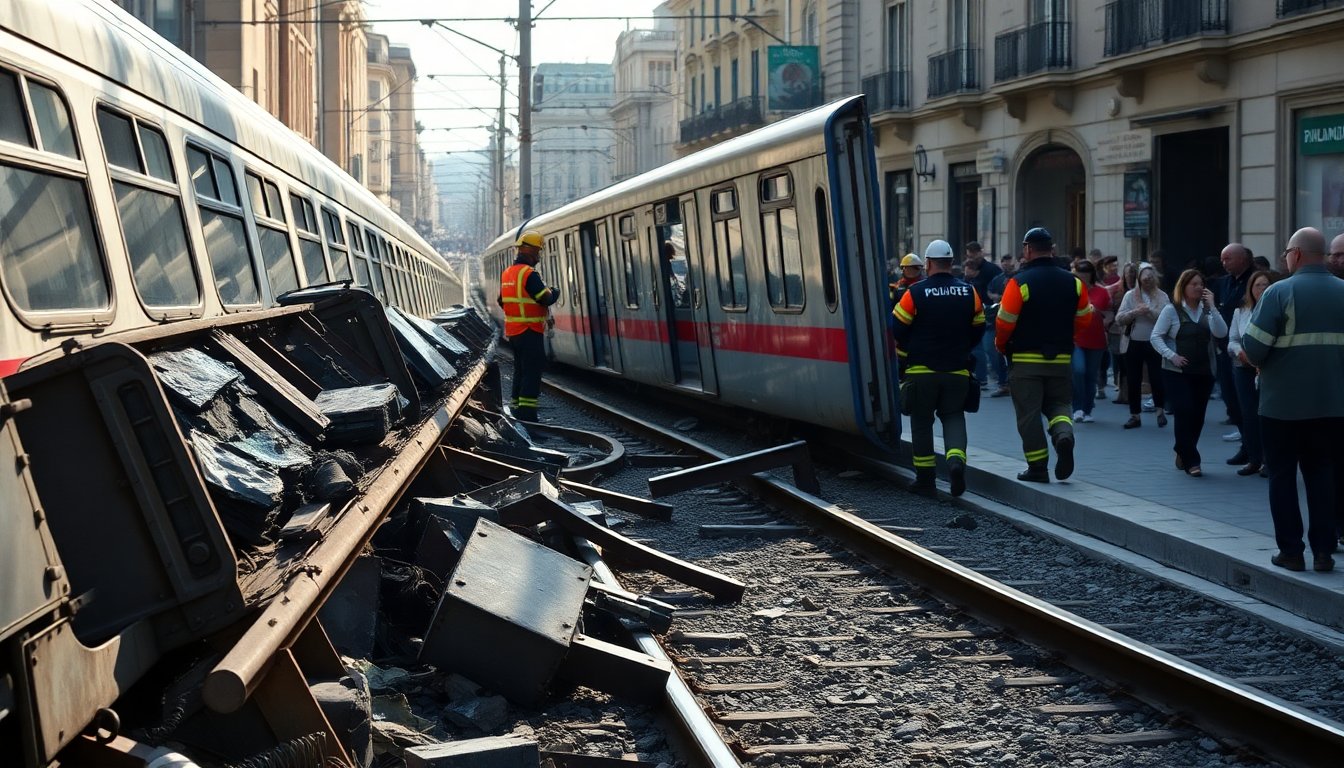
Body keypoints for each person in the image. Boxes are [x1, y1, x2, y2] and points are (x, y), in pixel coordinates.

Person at [1243, 227, 1344, 572]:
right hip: (1332, 404)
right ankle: (1324, 552)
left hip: (1281, 405)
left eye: (1287, 252)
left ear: (1296, 254)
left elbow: (1253, 348)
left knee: (1282, 477)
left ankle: (1291, 551)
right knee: (1323, 474)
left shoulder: (1278, 292)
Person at [995, 227, 1093, 483]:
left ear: (1027, 249)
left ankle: (1038, 467)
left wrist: (1001, 345)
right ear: (1052, 248)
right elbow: (1086, 318)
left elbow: (1005, 322)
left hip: (1026, 361)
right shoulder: (1074, 282)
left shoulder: (1018, 282)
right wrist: (1066, 335)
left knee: (1029, 414)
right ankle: (1063, 435)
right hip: (1060, 359)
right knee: (1059, 405)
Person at [892, 239, 985, 497]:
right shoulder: (969, 292)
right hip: (957, 370)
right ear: (952, 262)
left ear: (929, 263)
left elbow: (897, 327)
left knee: (922, 421)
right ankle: (955, 463)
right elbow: (979, 328)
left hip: (921, 370)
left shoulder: (915, 293)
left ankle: (925, 479)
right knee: (954, 417)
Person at [1149, 269, 1227, 477]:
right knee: (1184, 410)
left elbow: (1221, 332)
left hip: (1203, 371)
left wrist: (1212, 308)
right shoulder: (1171, 310)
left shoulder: (1206, 310)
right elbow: (1156, 337)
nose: (1198, 287)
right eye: (1193, 284)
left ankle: (1182, 448)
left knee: (1198, 415)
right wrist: (1171, 355)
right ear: (1183, 287)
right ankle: (1192, 460)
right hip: (1177, 371)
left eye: (1201, 284)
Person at [497, 229, 560, 422]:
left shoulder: (508, 273)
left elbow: (501, 301)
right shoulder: (529, 274)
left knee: (520, 370)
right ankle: (529, 416)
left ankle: (516, 409)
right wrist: (555, 291)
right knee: (532, 372)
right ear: (531, 252)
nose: (539, 256)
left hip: (514, 332)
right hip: (530, 330)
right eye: (538, 252)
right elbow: (545, 298)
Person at [1225, 269, 1274, 478]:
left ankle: (1269, 461)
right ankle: (1254, 459)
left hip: (1268, 369)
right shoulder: (1241, 312)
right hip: (1243, 368)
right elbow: (1232, 340)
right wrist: (1240, 352)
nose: (1261, 289)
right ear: (1250, 289)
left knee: (1267, 416)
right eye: (1257, 285)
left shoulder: (1276, 310)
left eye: (1265, 285)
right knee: (1249, 415)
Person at [1115, 262, 1170, 428]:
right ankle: (1135, 415)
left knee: (1157, 378)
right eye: (1145, 279)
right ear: (1139, 280)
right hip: (1133, 343)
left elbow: (1166, 318)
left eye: (1150, 279)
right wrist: (1134, 312)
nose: (1148, 282)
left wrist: (1149, 312)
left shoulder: (1162, 296)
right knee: (1133, 379)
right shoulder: (1130, 296)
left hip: (1154, 342)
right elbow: (1119, 318)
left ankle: (1160, 411)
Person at [1213, 243, 1253, 454]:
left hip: (1247, 352)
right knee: (1230, 398)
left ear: (1242, 259)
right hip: (1226, 348)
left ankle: (1254, 449)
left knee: (1247, 402)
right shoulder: (1224, 282)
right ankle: (1246, 444)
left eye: (1228, 258)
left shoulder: (1254, 281)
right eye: (1222, 259)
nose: (1224, 263)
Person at [1070, 260, 1110, 423]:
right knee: (1078, 371)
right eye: (1080, 274)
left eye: (1086, 273)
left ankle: (1087, 409)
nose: (1083, 277)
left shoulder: (1101, 292)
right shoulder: (1071, 291)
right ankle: (1077, 408)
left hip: (1096, 339)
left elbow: (1109, 313)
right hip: (1076, 338)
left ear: (1091, 274)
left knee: (1091, 375)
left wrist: (1105, 319)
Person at [1106, 262, 1138, 404]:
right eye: (1127, 272)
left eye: (1132, 272)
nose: (1129, 275)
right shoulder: (1116, 290)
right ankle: (1122, 392)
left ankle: (1130, 393)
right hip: (1116, 331)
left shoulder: (1140, 291)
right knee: (1119, 363)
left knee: (1130, 363)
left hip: (1134, 331)